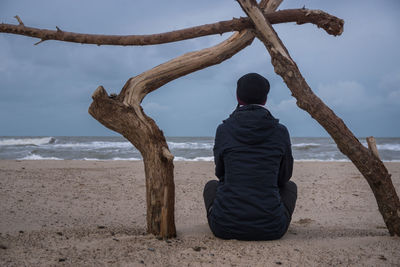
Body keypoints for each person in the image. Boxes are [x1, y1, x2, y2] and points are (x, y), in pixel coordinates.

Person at [203, 73, 297, 241]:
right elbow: (284, 177)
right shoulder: (280, 131)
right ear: (265, 100)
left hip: (224, 227)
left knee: (212, 186)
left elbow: (220, 173)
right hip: (272, 228)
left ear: (238, 98)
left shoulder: (224, 129)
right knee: (289, 187)